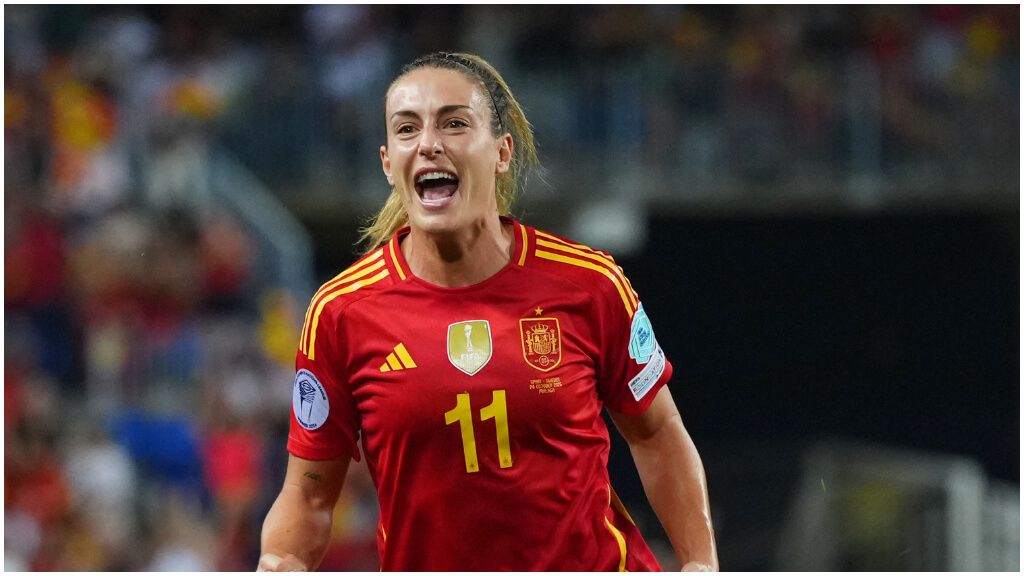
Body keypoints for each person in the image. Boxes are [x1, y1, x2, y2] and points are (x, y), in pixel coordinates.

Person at [258, 51, 718, 572]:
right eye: (407, 129)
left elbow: (656, 432)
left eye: (454, 123)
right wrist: (280, 558)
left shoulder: (590, 284)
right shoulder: (341, 313)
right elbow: (309, 493)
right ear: (388, 163)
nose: (428, 143)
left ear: (502, 152)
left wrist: (701, 563)